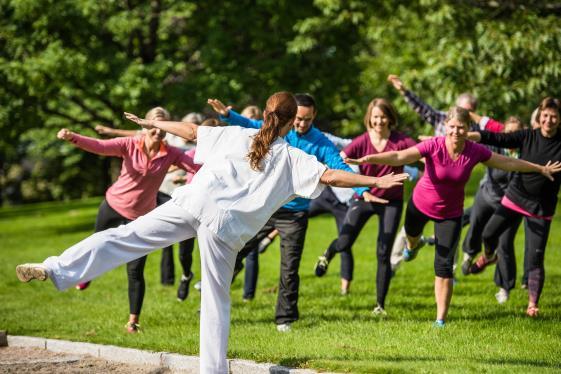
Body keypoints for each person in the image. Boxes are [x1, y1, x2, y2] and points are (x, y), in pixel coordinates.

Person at [16, 91, 408, 373]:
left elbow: (189, 132)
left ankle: (57, 267)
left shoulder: (239, 135)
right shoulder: (293, 157)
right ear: (290, 123)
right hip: (225, 229)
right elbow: (331, 175)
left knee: (125, 237)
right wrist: (375, 182)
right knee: (216, 301)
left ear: (267, 114)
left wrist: (153, 123)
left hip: (193, 202)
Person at [346, 106, 561, 327]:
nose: (456, 131)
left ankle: (440, 319)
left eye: (461, 127)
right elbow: (399, 155)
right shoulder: (433, 145)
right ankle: (413, 245)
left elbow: (506, 162)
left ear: (468, 129)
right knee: (411, 238)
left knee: (444, 267)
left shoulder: (474, 151)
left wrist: (537, 168)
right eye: (452, 127)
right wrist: (368, 159)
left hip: (450, 214)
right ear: (445, 127)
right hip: (419, 206)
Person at [209, 94, 379, 332]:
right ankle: (212, 300)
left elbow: (338, 167)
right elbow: (252, 125)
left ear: (314, 116)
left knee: (289, 268)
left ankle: (284, 319)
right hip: (266, 207)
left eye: (307, 120)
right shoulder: (281, 129)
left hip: (295, 215)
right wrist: (227, 116)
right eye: (298, 119)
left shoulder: (319, 142)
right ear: (291, 117)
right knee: (235, 251)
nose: (301, 124)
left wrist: (363, 187)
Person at [54, 107, 200, 332]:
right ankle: (86, 275)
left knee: (135, 270)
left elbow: (195, 167)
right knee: (96, 243)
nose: (158, 132)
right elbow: (100, 146)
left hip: (141, 217)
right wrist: (73, 137)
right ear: (145, 125)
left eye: (162, 127)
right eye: (154, 125)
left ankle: (133, 321)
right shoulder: (130, 144)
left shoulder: (171, 153)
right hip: (113, 205)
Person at [313, 98, 416, 311]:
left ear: (390, 118)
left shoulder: (401, 141)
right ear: (369, 118)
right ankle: (327, 254)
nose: (379, 121)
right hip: (365, 197)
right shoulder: (361, 141)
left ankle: (380, 305)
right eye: (375, 117)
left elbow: (423, 153)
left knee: (383, 252)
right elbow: (339, 159)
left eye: (383, 117)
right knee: (344, 242)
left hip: (391, 202)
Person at [95, 112, 206, 301]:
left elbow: (194, 165)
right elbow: (139, 133)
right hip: (164, 194)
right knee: (163, 242)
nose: (191, 128)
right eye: (188, 124)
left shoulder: (200, 147)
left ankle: (186, 274)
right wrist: (111, 131)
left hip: (186, 199)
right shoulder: (168, 136)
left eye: (195, 125)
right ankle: (167, 278)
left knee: (184, 249)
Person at [467, 97, 561, 317]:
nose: (548, 120)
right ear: (539, 116)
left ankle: (532, 304)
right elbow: (497, 137)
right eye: (545, 115)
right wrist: (469, 136)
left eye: (554, 116)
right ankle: (489, 256)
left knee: (535, 257)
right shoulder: (528, 136)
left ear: (560, 119)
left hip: (541, 208)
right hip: (515, 197)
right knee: (488, 234)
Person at [460, 114, 524, 304]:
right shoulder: (496, 146)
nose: (512, 136)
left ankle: (504, 287)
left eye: (516, 133)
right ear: (503, 133)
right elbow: (479, 136)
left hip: (512, 204)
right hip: (488, 195)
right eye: (509, 133)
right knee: (475, 223)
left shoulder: (525, 150)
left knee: (505, 244)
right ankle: (469, 254)